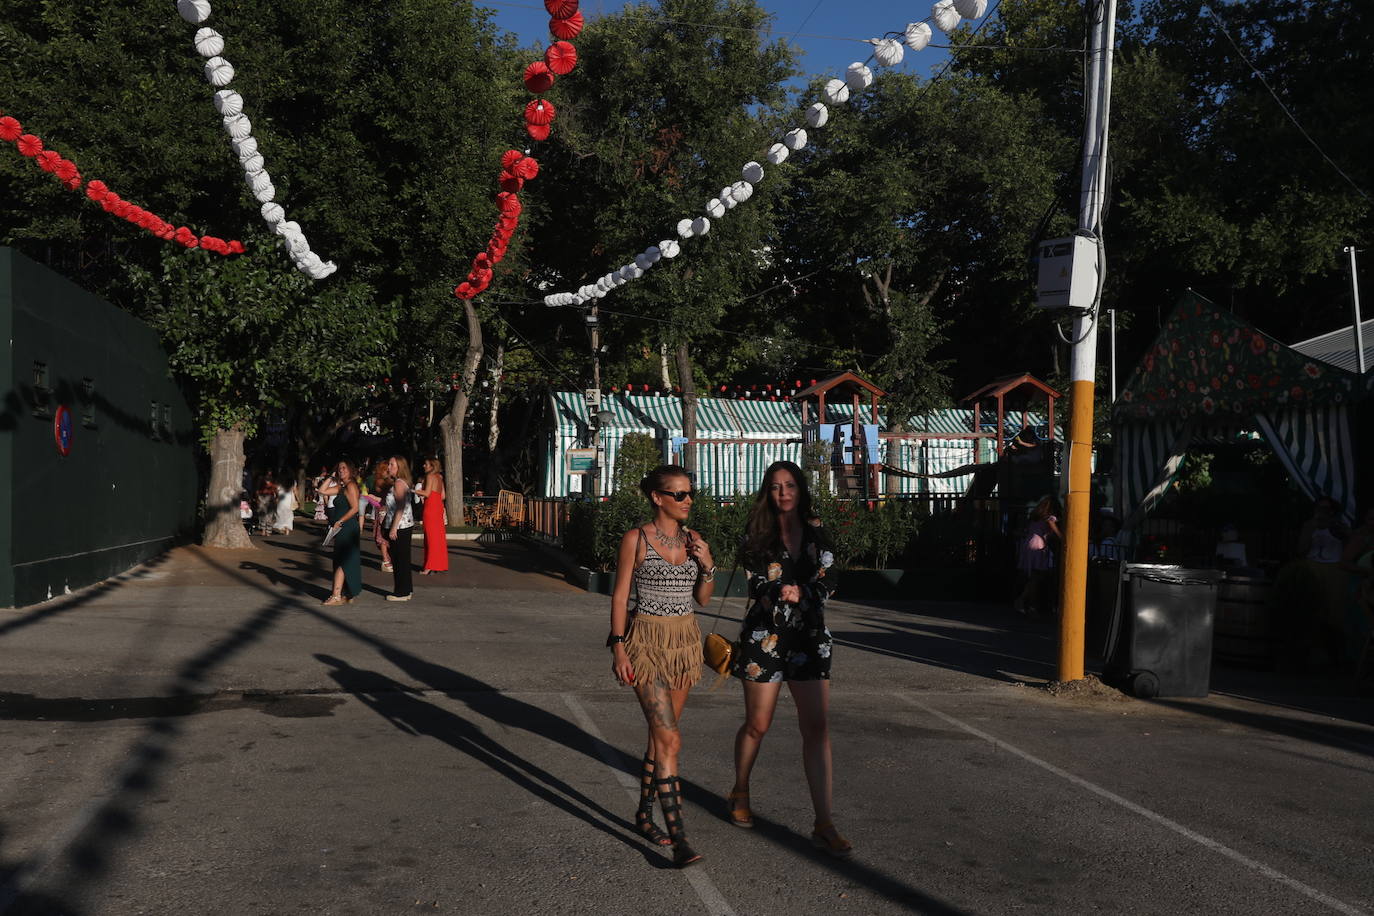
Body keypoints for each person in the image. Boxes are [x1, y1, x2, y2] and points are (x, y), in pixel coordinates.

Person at [727, 460, 850, 859]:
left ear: (801, 490)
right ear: (769, 491)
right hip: (765, 637)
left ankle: (824, 822)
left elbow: (831, 578)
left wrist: (805, 594)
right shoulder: (756, 532)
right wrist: (782, 590)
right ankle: (741, 788)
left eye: (791, 485)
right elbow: (756, 581)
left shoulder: (816, 530)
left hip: (810, 639)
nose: (784, 492)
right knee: (757, 724)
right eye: (777, 486)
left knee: (817, 728)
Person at [608, 465, 715, 868]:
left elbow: (703, 598)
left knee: (660, 739)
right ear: (658, 497)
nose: (688, 501)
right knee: (669, 739)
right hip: (646, 645)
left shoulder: (694, 540)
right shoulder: (636, 540)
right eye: (679, 494)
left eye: (690, 493)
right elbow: (620, 597)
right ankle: (680, 837)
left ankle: (643, 814)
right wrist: (619, 646)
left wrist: (707, 565)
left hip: (684, 644)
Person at [317, 460, 361, 606]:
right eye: (339, 468)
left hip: (347, 527)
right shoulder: (341, 487)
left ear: (350, 469)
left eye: (344, 468)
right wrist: (330, 476)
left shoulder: (351, 486)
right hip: (340, 528)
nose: (341, 470)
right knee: (340, 560)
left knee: (343, 561)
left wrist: (340, 521)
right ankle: (345, 593)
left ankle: (336, 595)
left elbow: (355, 508)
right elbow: (321, 491)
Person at [1014, 495, 1062, 617]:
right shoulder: (1050, 517)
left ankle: (1031, 604)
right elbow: (1052, 524)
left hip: (1028, 543)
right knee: (1037, 576)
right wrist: (1061, 537)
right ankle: (1023, 601)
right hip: (1039, 544)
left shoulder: (1035, 517)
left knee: (1034, 576)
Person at [384, 456, 416, 602]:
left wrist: (393, 528)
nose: (388, 467)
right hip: (404, 525)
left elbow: (400, 507)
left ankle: (401, 592)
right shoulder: (402, 482)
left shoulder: (398, 483)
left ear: (399, 467)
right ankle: (406, 589)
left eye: (392, 464)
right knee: (403, 558)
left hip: (400, 526)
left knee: (399, 560)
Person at [414, 457, 449, 575]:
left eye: (426, 464)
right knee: (437, 538)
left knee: (430, 538)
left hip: (430, 508)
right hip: (438, 506)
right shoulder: (439, 477)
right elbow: (443, 495)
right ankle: (437, 564)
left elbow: (427, 493)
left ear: (432, 466)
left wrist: (413, 490)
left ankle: (429, 566)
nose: (424, 466)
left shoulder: (429, 476)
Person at [368, 460, 394, 573]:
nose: (388, 470)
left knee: (389, 536)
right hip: (383, 510)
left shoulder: (390, 481)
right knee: (382, 536)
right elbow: (382, 496)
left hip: (389, 510)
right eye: (386, 469)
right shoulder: (381, 481)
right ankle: (385, 560)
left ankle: (389, 559)